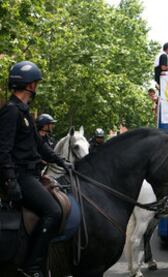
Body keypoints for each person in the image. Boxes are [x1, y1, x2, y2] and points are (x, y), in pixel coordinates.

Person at [0, 61, 71, 277]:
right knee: (53, 211)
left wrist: (62, 162)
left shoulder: (24, 112)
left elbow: (40, 147)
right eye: (36, 83)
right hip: (21, 176)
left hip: (32, 174)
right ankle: (32, 266)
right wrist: (11, 181)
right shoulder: (12, 112)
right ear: (30, 85)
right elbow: (2, 150)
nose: (37, 87)